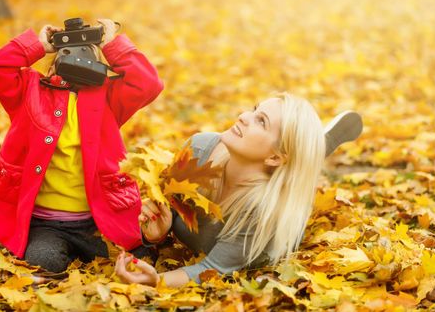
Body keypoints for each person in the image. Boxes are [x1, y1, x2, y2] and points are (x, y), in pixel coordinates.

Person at [0, 19, 164, 273]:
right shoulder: (31, 92)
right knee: (43, 262)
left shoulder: (108, 99)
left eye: (87, 55)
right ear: (53, 63)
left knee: (142, 261)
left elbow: (148, 84)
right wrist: (37, 45)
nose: (77, 61)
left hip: (98, 223)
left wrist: (111, 43)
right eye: (67, 53)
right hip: (46, 226)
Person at [115, 94, 362, 287]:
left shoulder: (262, 212)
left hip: (274, 211)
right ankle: (310, 147)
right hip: (281, 159)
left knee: (299, 170)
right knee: (297, 156)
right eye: (254, 110)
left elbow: (212, 269)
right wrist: (157, 236)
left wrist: (157, 281)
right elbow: (165, 210)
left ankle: (316, 146)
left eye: (261, 121)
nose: (243, 116)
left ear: (276, 157)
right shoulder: (199, 148)